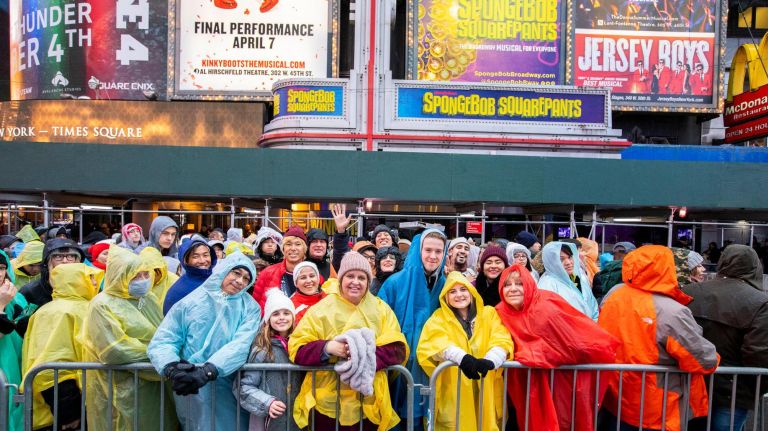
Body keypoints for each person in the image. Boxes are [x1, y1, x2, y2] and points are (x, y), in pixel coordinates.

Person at [598, 245, 720, 431]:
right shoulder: (671, 311)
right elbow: (702, 360)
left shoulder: (615, 294)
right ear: (667, 268)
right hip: (655, 407)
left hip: (617, 396)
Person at [289, 252, 408, 431]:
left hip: (369, 402)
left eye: (361, 277)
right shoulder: (320, 309)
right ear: (341, 279)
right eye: (350, 276)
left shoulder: (381, 309)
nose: (355, 282)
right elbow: (298, 349)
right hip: (326, 402)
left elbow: (398, 348)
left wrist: (360, 354)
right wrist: (328, 348)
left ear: (368, 282)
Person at [495, 265, 619, 431]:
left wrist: (533, 355)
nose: (513, 289)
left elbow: (576, 343)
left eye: (519, 283)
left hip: (559, 384)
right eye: (507, 285)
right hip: (523, 388)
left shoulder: (546, 307)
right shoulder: (500, 311)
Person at [148, 252, 261, 431]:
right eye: (236, 273)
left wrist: (209, 370)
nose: (240, 281)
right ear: (224, 271)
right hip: (191, 386)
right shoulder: (190, 302)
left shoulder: (250, 308)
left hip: (227, 385)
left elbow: (241, 345)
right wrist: (171, 367)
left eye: (246, 278)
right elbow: (165, 339)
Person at [79, 245, 174, 431]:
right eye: (136, 276)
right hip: (119, 388)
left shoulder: (147, 298)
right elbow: (114, 350)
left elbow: (163, 331)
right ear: (118, 276)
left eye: (146, 274)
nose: (143, 280)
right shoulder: (101, 305)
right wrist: (161, 355)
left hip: (152, 384)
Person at [683, 245, 768, 431]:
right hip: (734, 389)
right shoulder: (760, 302)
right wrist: (758, 388)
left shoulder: (689, 291)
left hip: (690, 383)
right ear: (755, 267)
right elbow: (759, 353)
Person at [417, 271, 514, 431]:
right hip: (454, 394)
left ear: (471, 291)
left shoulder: (489, 314)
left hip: (486, 390)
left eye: (463, 289)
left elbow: (502, 339)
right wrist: (463, 358)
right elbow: (434, 343)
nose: (459, 295)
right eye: (452, 291)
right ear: (445, 297)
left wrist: (491, 360)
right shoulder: (438, 318)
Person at [378, 228, 447, 428]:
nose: (433, 256)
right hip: (397, 370)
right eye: (428, 250)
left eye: (438, 251)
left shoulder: (446, 286)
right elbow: (378, 321)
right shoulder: (394, 283)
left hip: (431, 370)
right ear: (419, 251)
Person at [21, 263, 103, 431]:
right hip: (63, 414)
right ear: (73, 280)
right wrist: (68, 412)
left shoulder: (82, 307)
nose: (95, 283)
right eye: (89, 277)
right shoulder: (60, 312)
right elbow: (50, 368)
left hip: (82, 405)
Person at [237, 289, 301, 431]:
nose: (282, 317)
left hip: (295, 417)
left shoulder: (298, 346)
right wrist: (267, 403)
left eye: (286, 313)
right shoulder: (262, 350)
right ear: (268, 319)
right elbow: (244, 387)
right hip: (269, 419)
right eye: (275, 314)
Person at [19, 238, 85, 318]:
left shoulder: (88, 287)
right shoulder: (30, 291)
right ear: (48, 262)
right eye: (58, 256)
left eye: (70, 256)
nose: (65, 261)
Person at [0, 249, 27, 431]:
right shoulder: (6, 297)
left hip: (14, 370)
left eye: (1, 267)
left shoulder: (16, 297)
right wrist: (1, 305)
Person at [538, 242, 598, 320]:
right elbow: (549, 317)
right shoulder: (547, 284)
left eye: (570, 257)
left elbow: (592, 304)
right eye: (561, 259)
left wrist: (593, 325)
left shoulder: (575, 278)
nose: (568, 263)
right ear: (552, 261)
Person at [252, 225, 308, 311]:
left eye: (298, 244)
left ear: (304, 249)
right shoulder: (267, 273)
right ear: (283, 249)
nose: (293, 248)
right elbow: (255, 306)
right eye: (288, 244)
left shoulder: (313, 276)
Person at [162, 235, 217, 314]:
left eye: (205, 255)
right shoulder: (177, 291)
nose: (202, 260)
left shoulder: (218, 279)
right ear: (186, 261)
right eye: (195, 256)